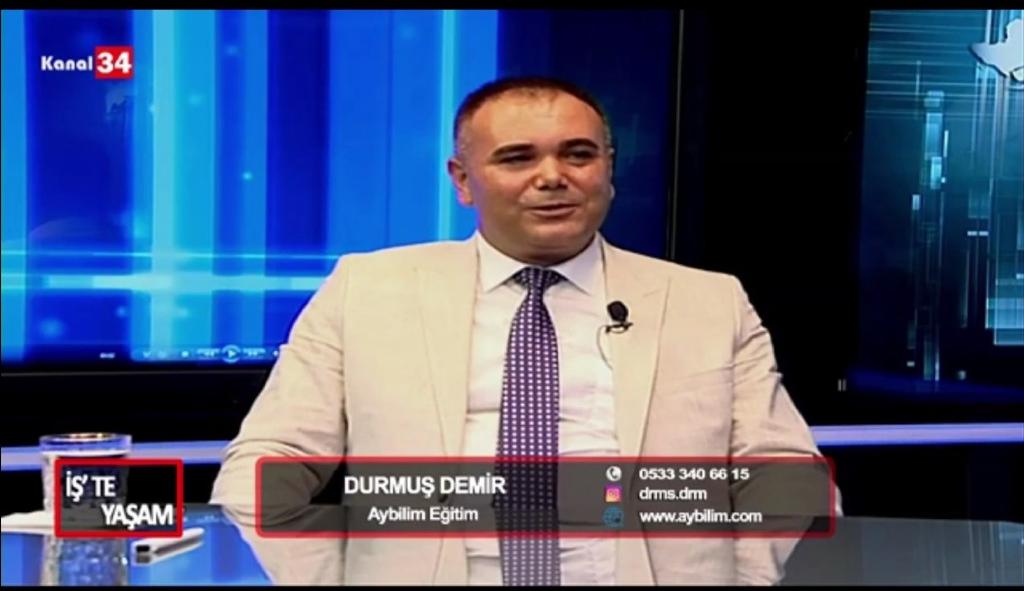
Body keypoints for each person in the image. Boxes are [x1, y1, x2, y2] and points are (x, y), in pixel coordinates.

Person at [211, 76, 839, 585]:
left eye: (578, 154)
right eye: (517, 157)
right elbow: (266, 466)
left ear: (609, 169)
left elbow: (787, 475)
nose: (552, 177)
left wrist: (742, 581)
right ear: (463, 180)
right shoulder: (367, 289)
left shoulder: (708, 301)